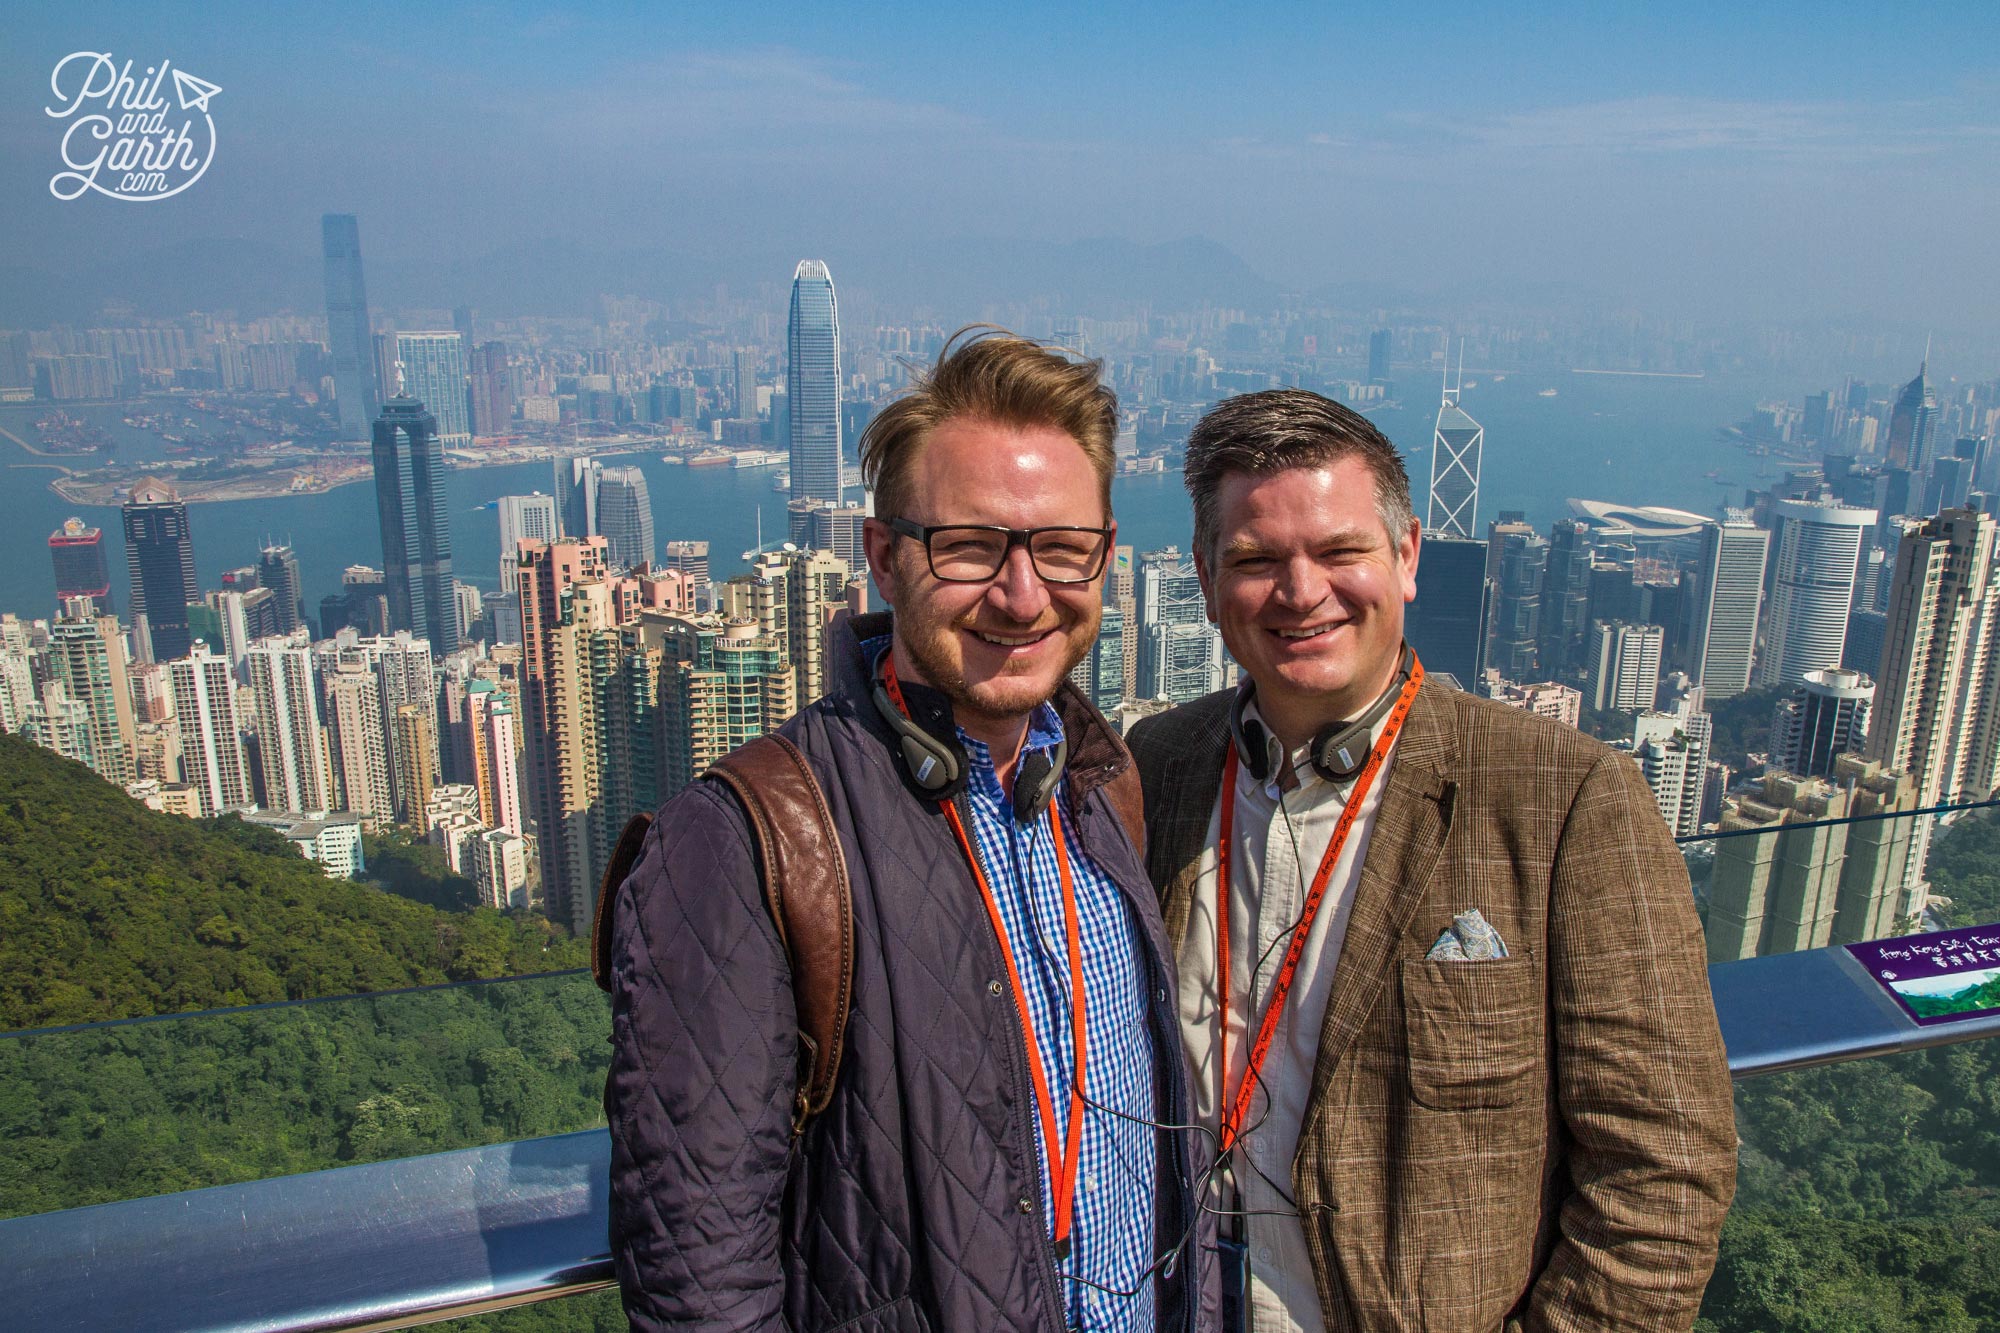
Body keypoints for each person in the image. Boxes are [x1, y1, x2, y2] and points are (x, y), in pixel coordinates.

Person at [604, 329, 1205, 1332]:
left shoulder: (1102, 790)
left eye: (1061, 548)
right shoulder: (752, 839)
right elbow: (696, 1272)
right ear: (883, 558)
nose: (1021, 595)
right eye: (969, 546)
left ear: (1105, 556)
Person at [1127, 389, 1736, 1333]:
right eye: (1255, 561)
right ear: (1206, 580)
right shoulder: (1155, 769)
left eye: (1340, 551)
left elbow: (1664, 1171)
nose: (1301, 591)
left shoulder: (1563, 797)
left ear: (1407, 556)